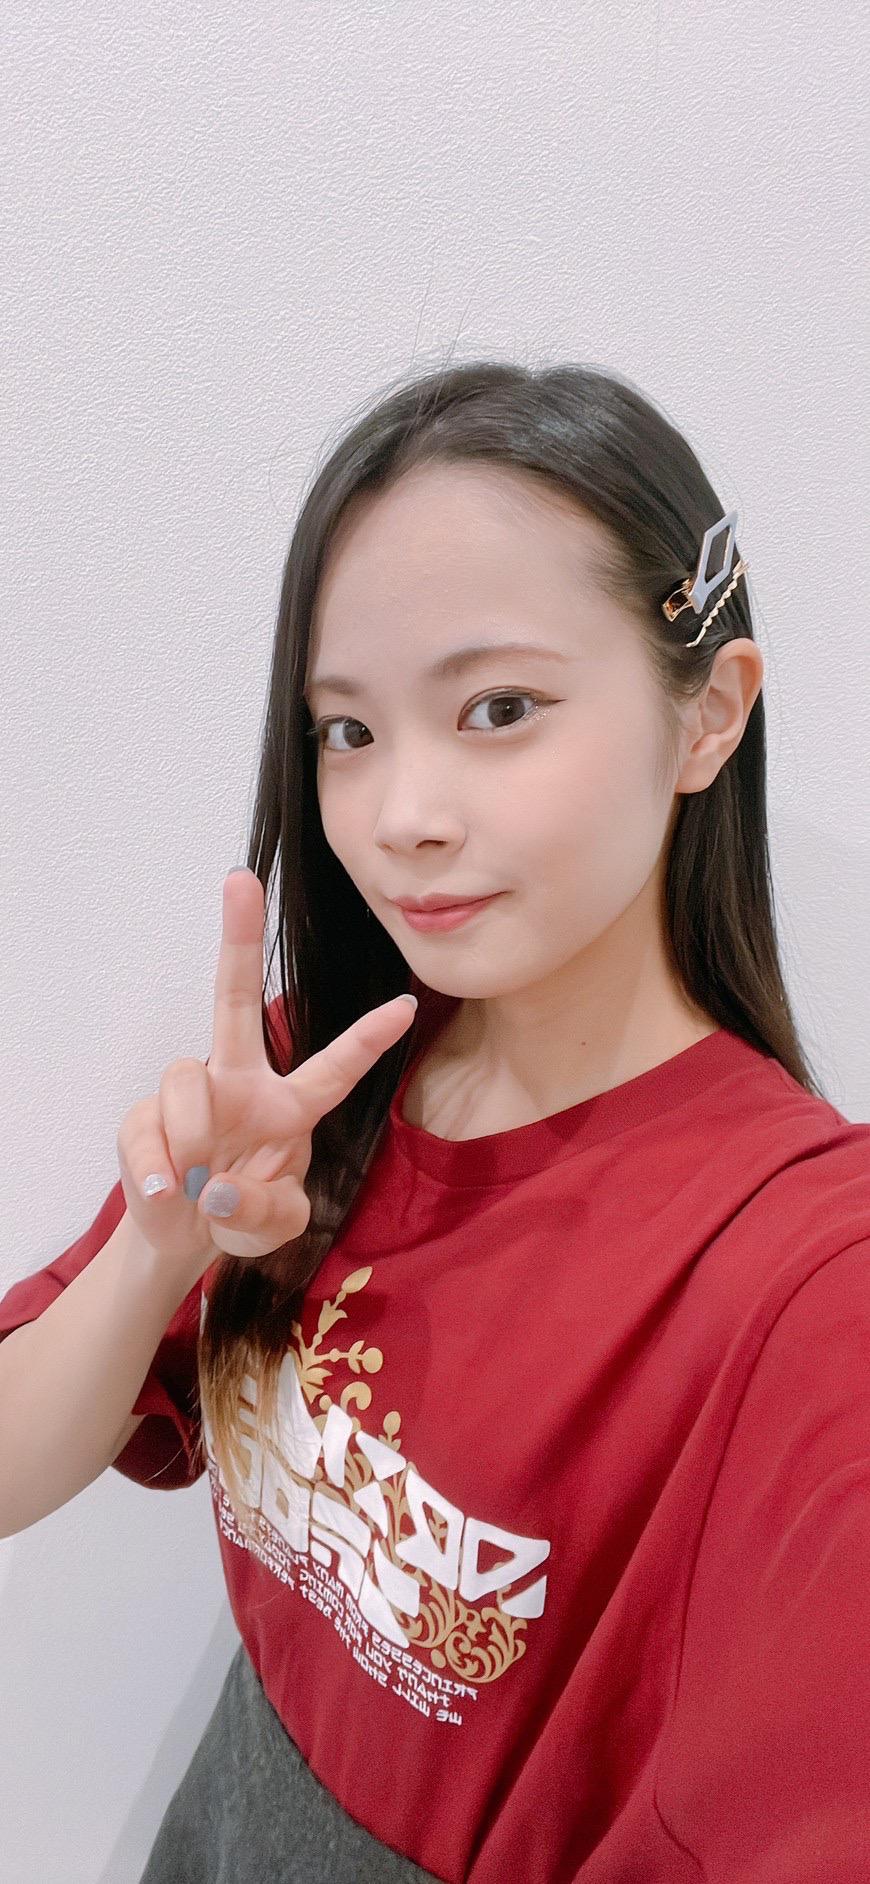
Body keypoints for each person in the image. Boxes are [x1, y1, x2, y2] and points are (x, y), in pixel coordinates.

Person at [1, 360, 868, 1883]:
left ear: (709, 715)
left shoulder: (807, 1283)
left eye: (498, 709)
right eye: (346, 731)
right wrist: (160, 1251)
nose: (400, 814)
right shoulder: (317, 1085)